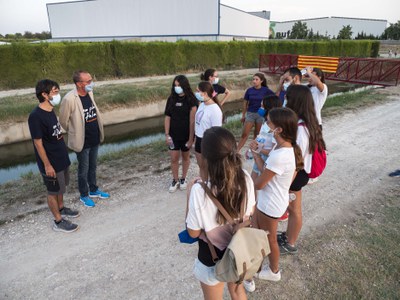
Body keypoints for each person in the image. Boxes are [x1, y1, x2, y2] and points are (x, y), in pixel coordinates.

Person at [185, 126, 256, 300]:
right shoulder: (245, 177)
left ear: (205, 159)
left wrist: (189, 193)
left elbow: (192, 233)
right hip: (239, 249)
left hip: (211, 256)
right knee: (238, 292)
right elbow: (251, 211)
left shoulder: (199, 191)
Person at [248, 108, 303, 288]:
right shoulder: (283, 148)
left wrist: (246, 183)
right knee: (258, 233)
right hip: (270, 201)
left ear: (278, 129)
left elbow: (259, 184)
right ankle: (256, 267)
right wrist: (256, 154)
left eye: (269, 122)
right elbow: (266, 170)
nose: (266, 124)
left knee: (270, 239)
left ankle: (273, 271)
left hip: (270, 205)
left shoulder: (280, 155)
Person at [278, 84, 326, 255]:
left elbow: (296, 161)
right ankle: (288, 236)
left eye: (287, 98)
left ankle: (290, 243)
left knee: (294, 210)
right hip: (298, 173)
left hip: (296, 175)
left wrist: (286, 184)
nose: (285, 100)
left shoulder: (300, 129)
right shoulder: (306, 123)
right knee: (293, 209)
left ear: (294, 101)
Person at [28, 79, 79, 233]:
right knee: (53, 190)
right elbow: (38, 143)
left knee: (61, 187)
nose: (58, 95)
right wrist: (47, 165)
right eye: (55, 92)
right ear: (44, 94)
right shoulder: (36, 116)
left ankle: (62, 208)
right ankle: (58, 221)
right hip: (50, 161)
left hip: (61, 157)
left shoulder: (50, 110)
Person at [59, 70, 110, 208]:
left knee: (93, 166)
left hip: (94, 137)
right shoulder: (69, 99)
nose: (91, 83)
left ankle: (93, 190)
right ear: (79, 84)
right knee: (83, 169)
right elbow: (63, 121)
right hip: (82, 141)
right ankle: (84, 195)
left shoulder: (90, 93)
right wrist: (74, 131)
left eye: (91, 80)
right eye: (88, 81)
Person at [164, 75, 197, 192]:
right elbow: (167, 117)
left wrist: (190, 139)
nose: (177, 87)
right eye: (175, 85)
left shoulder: (191, 99)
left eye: (179, 85)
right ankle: (175, 179)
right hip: (173, 135)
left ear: (184, 85)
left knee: (185, 157)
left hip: (186, 135)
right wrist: (167, 134)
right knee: (174, 158)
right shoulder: (171, 99)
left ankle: (183, 178)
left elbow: (193, 121)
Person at [237, 73, 275, 151]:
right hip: (250, 113)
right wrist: (243, 115)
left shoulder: (266, 90)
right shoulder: (249, 90)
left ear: (261, 81)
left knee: (257, 135)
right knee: (244, 134)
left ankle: (253, 151)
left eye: (256, 79)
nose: (254, 81)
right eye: (253, 79)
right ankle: (236, 151)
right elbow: (245, 104)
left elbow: (274, 98)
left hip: (261, 114)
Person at [249, 94, 282, 182]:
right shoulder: (265, 122)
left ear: (270, 109)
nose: (260, 109)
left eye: (262, 106)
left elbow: (274, 152)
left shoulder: (276, 129)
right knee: (253, 182)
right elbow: (260, 136)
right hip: (259, 156)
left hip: (266, 161)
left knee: (260, 184)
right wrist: (252, 147)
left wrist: (257, 149)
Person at [194, 81, 223, 181]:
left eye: (198, 91)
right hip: (198, 139)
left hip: (207, 141)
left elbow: (217, 131)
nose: (196, 93)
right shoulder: (202, 104)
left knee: (207, 167)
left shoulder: (215, 110)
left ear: (205, 93)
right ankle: (203, 182)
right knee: (201, 166)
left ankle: (207, 187)